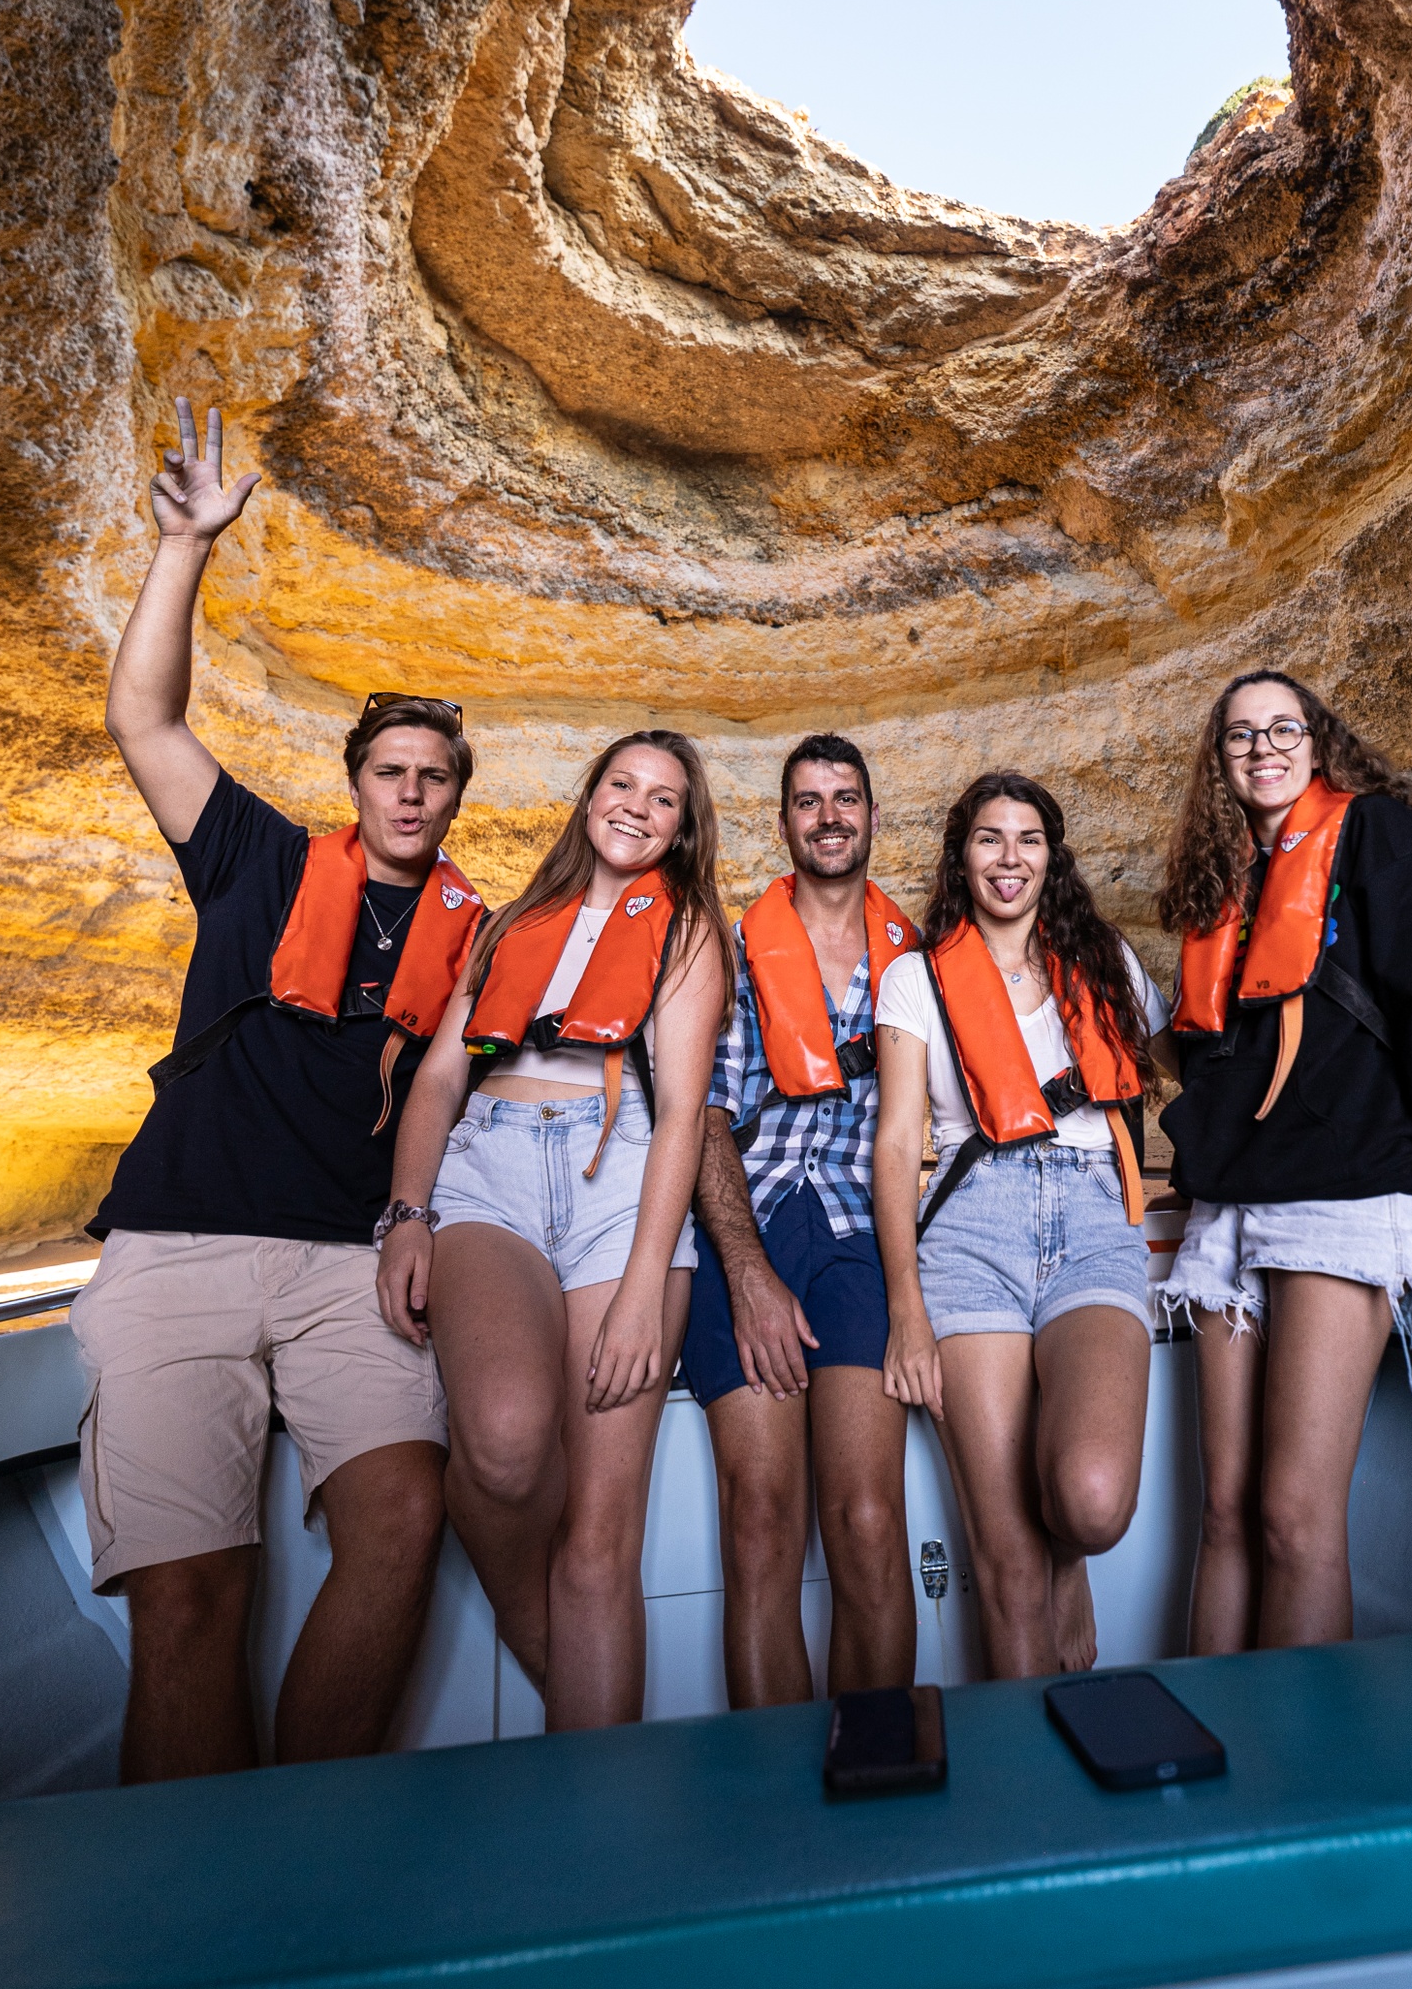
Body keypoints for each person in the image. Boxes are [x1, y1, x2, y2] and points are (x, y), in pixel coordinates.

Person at [73, 399, 474, 1783]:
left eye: (432, 779)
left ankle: (307, 1859)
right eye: (389, 773)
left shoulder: (470, 934)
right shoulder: (254, 856)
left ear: (454, 799)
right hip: (180, 1243)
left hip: (344, 1270)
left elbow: (452, 1090)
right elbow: (142, 714)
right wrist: (186, 545)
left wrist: (416, 1217)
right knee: (193, 1599)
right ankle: (202, 1918)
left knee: (403, 1519)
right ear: (353, 782)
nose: (409, 795)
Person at [1155, 669, 1412, 1655]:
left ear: (1318, 739)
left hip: (1345, 1192)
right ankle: (1209, 1783)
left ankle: (1303, 1779)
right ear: (1221, 760)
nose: (1263, 748)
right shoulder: (1224, 880)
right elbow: (1211, 1058)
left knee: (1294, 1516)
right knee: (1225, 1514)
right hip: (1231, 1209)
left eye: (1282, 727)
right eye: (1240, 735)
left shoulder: (1374, 835)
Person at [375, 731, 731, 1730]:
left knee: (600, 1543)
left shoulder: (693, 928)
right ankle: (565, 1674)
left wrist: (640, 1292)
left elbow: (681, 1123)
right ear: (588, 800)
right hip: (491, 1169)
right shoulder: (511, 921)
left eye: (664, 798)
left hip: (622, 1180)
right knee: (501, 1442)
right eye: (622, 784)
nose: (637, 805)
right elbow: (442, 1075)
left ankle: (602, 1829)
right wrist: (407, 1216)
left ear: (681, 828)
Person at [874, 771, 1177, 1677]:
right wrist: (905, 1313)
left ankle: (1068, 1557)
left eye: (1028, 839)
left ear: (1052, 855)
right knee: (1005, 1572)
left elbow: (1184, 1069)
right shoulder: (913, 980)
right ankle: (1033, 1806)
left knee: (1088, 1502)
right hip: (971, 1230)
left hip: (1091, 1216)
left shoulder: (1107, 963)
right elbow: (895, 1148)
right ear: (961, 858)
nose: (1009, 858)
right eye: (989, 839)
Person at [682, 734, 919, 1707]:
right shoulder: (737, 952)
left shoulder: (919, 961)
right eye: (809, 800)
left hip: (864, 1237)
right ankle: (777, 1802)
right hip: (756, 1226)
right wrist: (747, 1272)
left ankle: (873, 1784)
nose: (829, 815)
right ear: (784, 823)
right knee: (760, 1519)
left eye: (846, 798)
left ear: (870, 815)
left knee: (865, 1519)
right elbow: (704, 1119)